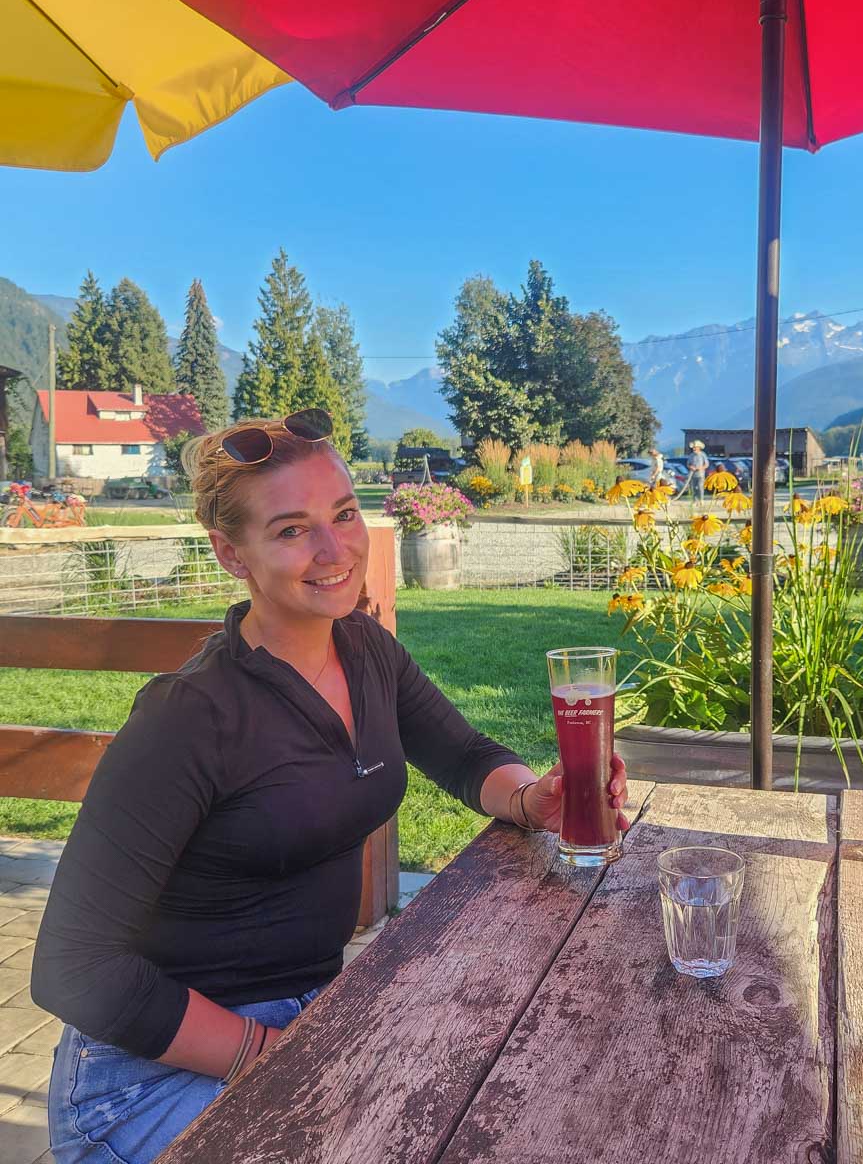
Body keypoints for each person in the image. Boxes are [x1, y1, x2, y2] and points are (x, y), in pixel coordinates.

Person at [31, 409, 629, 1164]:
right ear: (230, 554)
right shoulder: (189, 719)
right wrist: (272, 1057)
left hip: (308, 1013)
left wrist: (529, 799)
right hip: (146, 1081)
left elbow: (463, 753)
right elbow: (73, 970)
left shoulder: (364, 649)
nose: (333, 548)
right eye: (290, 530)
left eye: (345, 514)